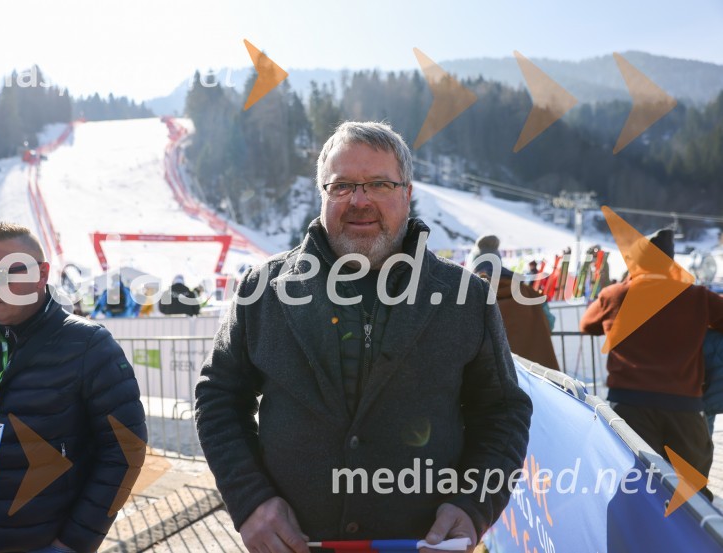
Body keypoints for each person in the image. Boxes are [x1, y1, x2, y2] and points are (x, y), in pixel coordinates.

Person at [195, 122, 532, 553]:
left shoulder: (464, 298)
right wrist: (250, 501)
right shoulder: (263, 291)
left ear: (407, 193)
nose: (360, 200)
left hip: (420, 544)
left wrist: (474, 504)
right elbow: (218, 398)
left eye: (379, 183)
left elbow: (502, 413)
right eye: (342, 186)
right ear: (322, 195)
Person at [0, 222, 147, 553]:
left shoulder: (90, 346)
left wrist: (72, 544)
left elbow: (126, 449)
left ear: (41, 275)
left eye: (3, 273)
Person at [580, 228, 723, 498]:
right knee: (692, 493)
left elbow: (587, 325)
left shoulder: (616, 295)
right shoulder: (697, 297)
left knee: (635, 487)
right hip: (683, 406)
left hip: (629, 404)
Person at [468, 235, 559, 370]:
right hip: (537, 376)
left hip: (493, 376)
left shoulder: (470, 296)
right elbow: (549, 322)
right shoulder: (528, 293)